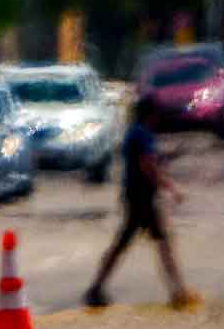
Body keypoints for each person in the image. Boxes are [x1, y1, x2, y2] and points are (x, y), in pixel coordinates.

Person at [84, 95, 199, 311]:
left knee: (123, 245)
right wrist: (171, 188)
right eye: (157, 113)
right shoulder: (143, 134)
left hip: (133, 196)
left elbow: (147, 160)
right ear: (151, 114)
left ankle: (96, 288)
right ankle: (179, 292)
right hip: (143, 198)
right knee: (163, 244)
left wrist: (166, 157)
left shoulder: (134, 132)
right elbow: (148, 166)